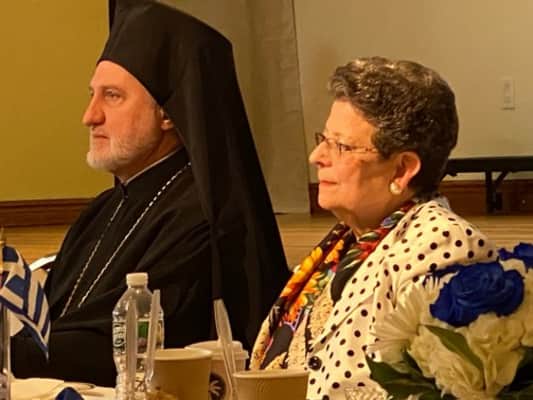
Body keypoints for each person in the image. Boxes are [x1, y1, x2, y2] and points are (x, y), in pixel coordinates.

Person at [11, 0, 289, 387]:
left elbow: (126, 347)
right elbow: (50, 317)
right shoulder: (103, 210)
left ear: (169, 113)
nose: (90, 116)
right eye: (92, 94)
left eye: (112, 96)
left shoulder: (206, 220)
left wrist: (10, 351)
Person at [250, 57, 497, 400]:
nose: (316, 156)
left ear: (402, 170)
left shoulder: (444, 245)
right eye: (323, 139)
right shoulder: (351, 239)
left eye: (340, 146)